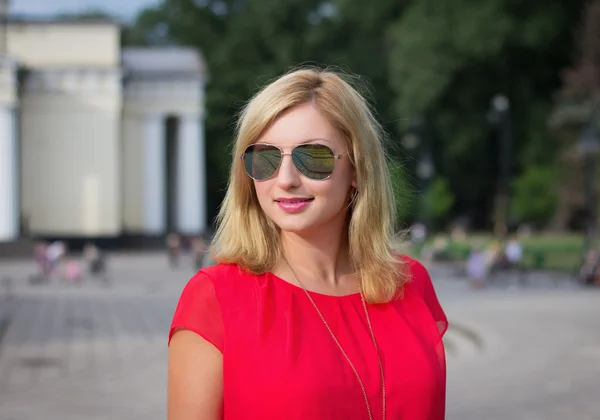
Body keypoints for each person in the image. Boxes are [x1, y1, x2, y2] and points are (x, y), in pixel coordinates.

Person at [168, 68, 448, 420]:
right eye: (265, 158)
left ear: (358, 170)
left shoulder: (411, 285)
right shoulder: (214, 299)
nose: (285, 179)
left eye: (313, 158)